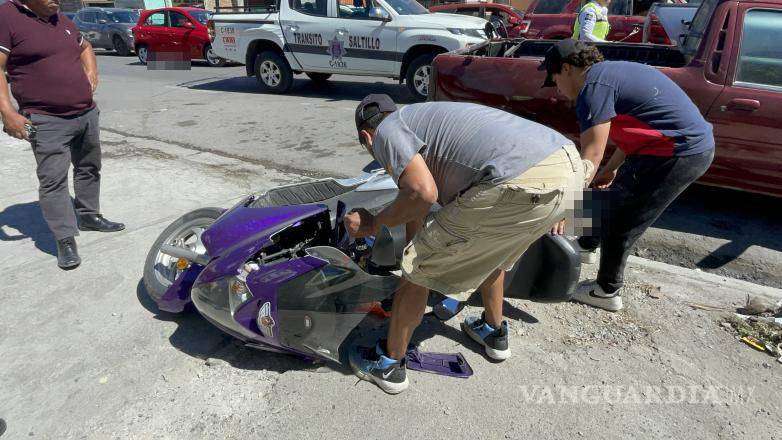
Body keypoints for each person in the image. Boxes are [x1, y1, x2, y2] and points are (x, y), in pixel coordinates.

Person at [344, 95, 591, 394]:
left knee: (417, 272)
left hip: (518, 180)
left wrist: (373, 226)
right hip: (568, 166)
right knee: (489, 253)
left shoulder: (386, 131)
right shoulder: (421, 120)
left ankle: (389, 364)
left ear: (366, 137)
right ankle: (493, 332)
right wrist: (417, 250)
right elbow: (419, 206)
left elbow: (422, 193)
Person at [539, 39, 715, 312]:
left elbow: (591, 155)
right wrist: (612, 168)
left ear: (566, 69)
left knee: (624, 220)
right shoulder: (610, 74)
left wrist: (566, 209)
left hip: (680, 153)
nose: (559, 91)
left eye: (555, 81)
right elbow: (635, 125)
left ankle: (606, 291)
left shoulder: (592, 89)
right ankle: (585, 245)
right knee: (608, 194)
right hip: (662, 148)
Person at [0, 0, 124, 270]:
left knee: (89, 168)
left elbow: (85, 46)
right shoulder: (7, 16)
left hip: (86, 113)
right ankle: (65, 238)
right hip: (46, 119)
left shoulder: (59, 18)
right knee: (53, 180)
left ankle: (89, 215)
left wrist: (91, 72)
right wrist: (7, 112)